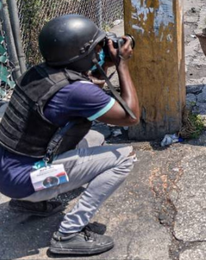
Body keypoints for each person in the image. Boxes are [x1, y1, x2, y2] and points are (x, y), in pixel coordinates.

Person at [0, 14, 140, 255]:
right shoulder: (75, 91)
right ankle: (69, 233)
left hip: (8, 171)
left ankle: (32, 203)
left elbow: (84, 93)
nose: (100, 50)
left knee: (94, 139)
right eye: (96, 47)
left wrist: (103, 65)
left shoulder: (39, 73)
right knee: (124, 157)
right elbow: (130, 116)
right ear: (82, 53)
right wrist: (122, 64)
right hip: (26, 181)